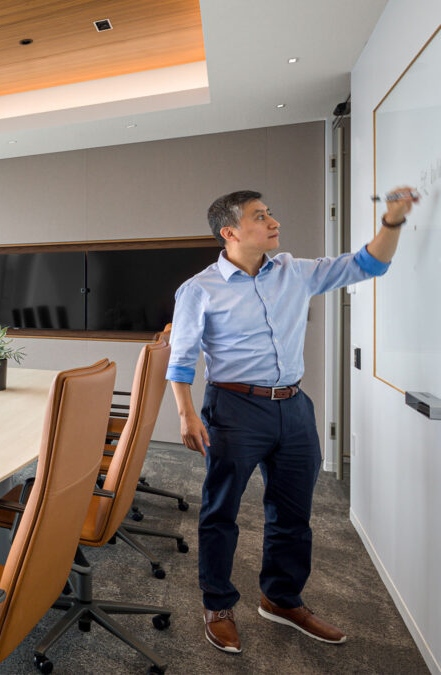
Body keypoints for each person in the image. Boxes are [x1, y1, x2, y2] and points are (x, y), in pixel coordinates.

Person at [166, 187, 416, 654]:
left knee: (294, 513)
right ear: (231, 232)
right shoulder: (200, 289)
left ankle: (280, 598)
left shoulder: (294, 272)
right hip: (234, 409)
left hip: (295, 408)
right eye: (260, 216)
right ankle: (217, 605)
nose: (273, 221)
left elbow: (369, 264)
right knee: (221, 511)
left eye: (271, 213)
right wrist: (185, 415)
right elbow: (181, 361)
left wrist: (393, 221)